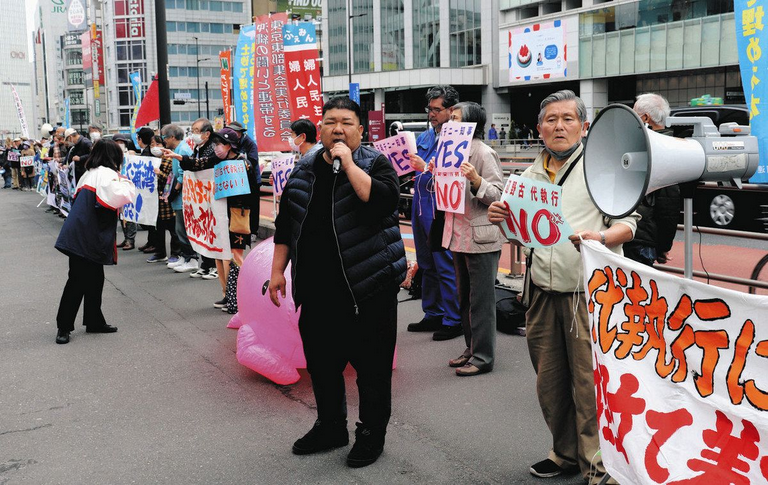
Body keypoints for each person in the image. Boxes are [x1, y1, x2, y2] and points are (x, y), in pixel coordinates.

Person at [488, 90, 638, 484]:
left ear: (584, 126)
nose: (559, 126)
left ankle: (598, 464)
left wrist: (601, 239)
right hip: (540, 290)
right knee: (549, 381)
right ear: (538, 128)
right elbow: (520, 233)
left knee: (588, 383)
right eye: (551, 119)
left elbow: (630, 223)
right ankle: (564, 453)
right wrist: (499, 215)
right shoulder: (527, 177)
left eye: (568, 118)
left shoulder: (601, 169)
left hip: (586, 293)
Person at [269, 97, 406, 468]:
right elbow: (287, 224)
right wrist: (278, 271)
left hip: (368, 287)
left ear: (361, 130)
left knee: (372, 370)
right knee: (323, 365)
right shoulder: (304, 168)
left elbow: (379, 202)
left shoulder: (376, 164)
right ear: (321, 127)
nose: (338, 129)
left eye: (347, 122)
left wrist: (348, 164)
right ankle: (331, 426)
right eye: (330, 122)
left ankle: (370, 434)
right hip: (317, 289)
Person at [434, 102, 505, 376]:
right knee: (464, 297)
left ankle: (483, 356)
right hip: (457, 235)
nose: (449, 124)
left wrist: (476, 181)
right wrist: (434, 173)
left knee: (482, 301)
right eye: (449, 119)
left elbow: (498, 195)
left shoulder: (485, 152)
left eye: (455, 119)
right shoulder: (448, 150)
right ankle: (471, 347)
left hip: (480, 237)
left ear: (471, 124)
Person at [53, 140, 137, 344]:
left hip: (82, 232)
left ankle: (93, 321)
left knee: (91, 279)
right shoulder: (106, 174)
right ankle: (64, 327)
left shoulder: (91, 173)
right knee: (79, 280)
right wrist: (126, 181)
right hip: (88, 234)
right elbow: (121, 196)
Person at [406, 85, 462, 341]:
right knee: (426, 262)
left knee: (445, 263)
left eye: (437, 109)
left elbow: (455, 175)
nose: (432, 114)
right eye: (429, 109)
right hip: (420, 204)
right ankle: (433, 313)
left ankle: (453, 318)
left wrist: (426, 168)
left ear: (451, 110)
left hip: (441, 206)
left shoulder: (458, 138)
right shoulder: (425, 138)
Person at [163, 119, 231, 305]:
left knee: (226, 252)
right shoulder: (200, 147)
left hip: (222, 207)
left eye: (196, 130)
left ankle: (232, 296)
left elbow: (201, 164)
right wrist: (180, 159)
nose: (193, 133)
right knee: (214, 244)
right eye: (192, 130)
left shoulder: (221, 154)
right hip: (208, 204)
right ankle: (226, 292)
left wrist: (180, 159)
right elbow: (194, 164)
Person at [628, 93, 681, 266]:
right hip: (643, 239)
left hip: (636, 238)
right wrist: (663, 247)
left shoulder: (650, 147)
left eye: (634, 114)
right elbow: (668, 208)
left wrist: (662, 246)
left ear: (644, 118)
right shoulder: (672, 146)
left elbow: (668, 205)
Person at [160, 124, 199, 274]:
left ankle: (192, 258)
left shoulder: (182, 150)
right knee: (179, 228)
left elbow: (184, 175)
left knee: (184, 228)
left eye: (164, 137)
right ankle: (185, 257)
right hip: (180, 196)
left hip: (184, 195)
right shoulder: (177, 149)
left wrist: (174, 191)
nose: (163, 140)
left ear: (172, 137)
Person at [146, 135, 181, 263]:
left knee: (173, 228)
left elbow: (171, 179)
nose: (154, 147)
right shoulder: (151, 160)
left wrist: (158, 173)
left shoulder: (169, 159)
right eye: (152, 145)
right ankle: (160, 252)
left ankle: (175, 253)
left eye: (157, 144)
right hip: (154, 200)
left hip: (166, 198)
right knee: (158, 228)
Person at [113, 134, 138, 250]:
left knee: (129, 214)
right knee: (122, 215)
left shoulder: (130, 155)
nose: (119, 144)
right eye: (117, 142)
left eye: (121, 142)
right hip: (118, 187)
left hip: (128, 187)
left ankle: (130, 239)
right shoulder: (112, 157)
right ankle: (126, 237)